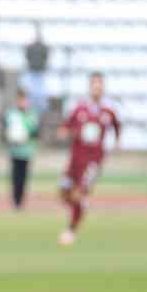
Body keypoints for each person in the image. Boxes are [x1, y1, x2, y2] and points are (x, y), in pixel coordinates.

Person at [56, 72, 121, 246]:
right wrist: (64, 131)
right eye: (94, 84)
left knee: (79, 193)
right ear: (90, 87)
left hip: (93, 160)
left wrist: (117, 141)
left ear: (103, 87)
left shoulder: (109, 110)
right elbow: (66, 125)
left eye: (100, 85)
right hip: (76, 158)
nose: (97, 88)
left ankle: (71, 231)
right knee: (63, 193)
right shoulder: (80, 108)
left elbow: (116, 126)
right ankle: (79, 209)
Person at [4, 87, 41, 210]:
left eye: (24, 100)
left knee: (24, 177)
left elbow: (36, 132)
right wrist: (10, 137)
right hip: (14, 151)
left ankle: (20, 202)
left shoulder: (32, 114)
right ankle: (15, 202)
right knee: (15, 176)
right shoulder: (11, 114)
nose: (22, 102)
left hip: (26, 151)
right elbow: (5, 130)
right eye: (20, 100)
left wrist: (27, 136)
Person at [22, 23, 51, 115]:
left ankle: (41, 115)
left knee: (41, 99)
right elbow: (27, 56)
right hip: (31, 74)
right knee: (27, 95)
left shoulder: (45, 48)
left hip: (40, 75)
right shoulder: (29, 47)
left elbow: (46, 57)